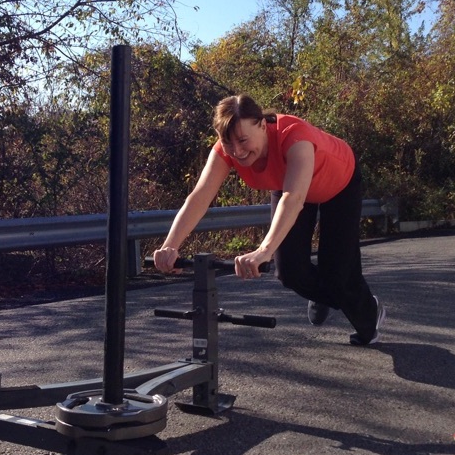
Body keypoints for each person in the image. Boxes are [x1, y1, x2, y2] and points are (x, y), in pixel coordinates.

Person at [153, 94, 386, 346]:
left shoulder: (295, 136)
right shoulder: (227, 149)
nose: (237, 151)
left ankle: (369, 317)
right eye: (228, 142)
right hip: (288, 185)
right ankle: (325, 292)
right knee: (289, 272)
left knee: (340, 276)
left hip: (338, 183)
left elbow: (294, 198)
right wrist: (170, 245)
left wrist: (263, 250)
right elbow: (199, 197)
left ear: (263, 125)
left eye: (243, 140)